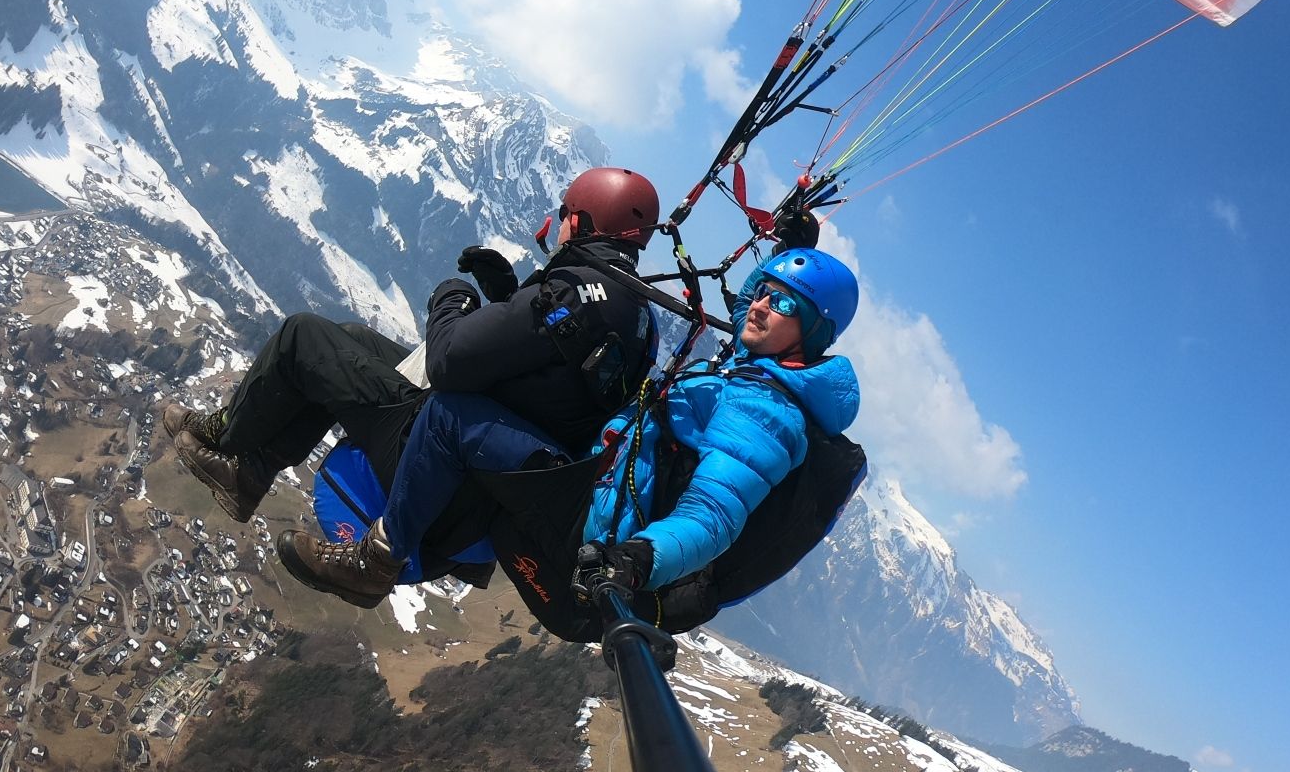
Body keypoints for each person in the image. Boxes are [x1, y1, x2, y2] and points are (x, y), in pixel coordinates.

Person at [276, 217, 861, 621]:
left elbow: (714, 513)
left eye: (784, 303)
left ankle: (377, 561)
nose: (760, 305)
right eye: (761, 291)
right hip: (596, 484)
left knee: (454, 415)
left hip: (597, 532)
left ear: (812, 331)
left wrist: (638, 560)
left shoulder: (767, 410)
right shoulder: (745, 370)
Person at [165, 166, 661, 525]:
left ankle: (224, 438)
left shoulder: (573, 290)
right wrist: (508, 299)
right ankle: (251, 472)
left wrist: (453, 297)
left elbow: (447, 361)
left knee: (304, 337)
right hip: (495, 457)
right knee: (354, 340)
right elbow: (548, 371)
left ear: (585, 222)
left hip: (438, 446)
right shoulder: (635, 313)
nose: (560, 225)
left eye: (566, 214)